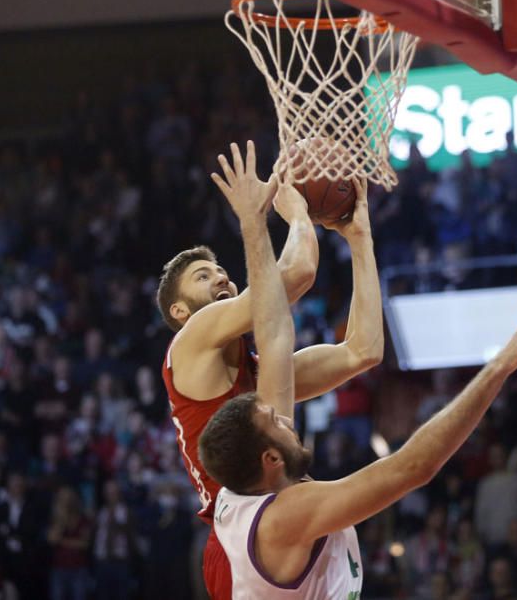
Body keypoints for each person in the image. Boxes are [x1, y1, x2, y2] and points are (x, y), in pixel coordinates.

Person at [198, 144, 517, 597]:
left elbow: (287, 335)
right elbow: (413, 467)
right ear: (270, 459)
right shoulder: (285, 516)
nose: (286, 415)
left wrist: (358, 238)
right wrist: (499, 368)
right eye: (276, 421)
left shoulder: (248, 484)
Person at [155, 141, 384, 598]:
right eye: (203, 277)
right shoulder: (191, 343)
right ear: (180, 311)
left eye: (219, 269)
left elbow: (363, 351)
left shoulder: (258, 374)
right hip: (245, 534)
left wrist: (360, 241)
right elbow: (295, 275)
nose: (220, 276)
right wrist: (295, 210)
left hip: (282, 513)